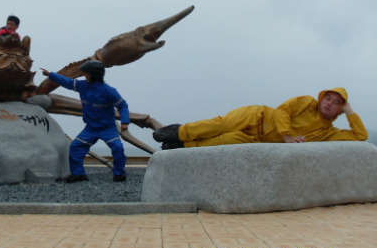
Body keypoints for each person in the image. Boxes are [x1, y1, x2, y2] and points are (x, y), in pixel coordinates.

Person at [154, 87, 368, 149]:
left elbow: (360, 136)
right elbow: (283, 110)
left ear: (340, 110)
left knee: (224, 142)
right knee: (220, 125)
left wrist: (350, 111)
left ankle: (181, 146)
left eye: (336, 102)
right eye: (328, 98)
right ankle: (177, 132)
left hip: (259, 140)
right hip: (258, 117)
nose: (329, 103)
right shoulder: (308, 102)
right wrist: (286, 135)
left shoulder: (328, 133)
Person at [40, 60, 130, 182]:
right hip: (91, 128)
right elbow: (67, 82)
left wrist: (125, 121)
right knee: (76, 147)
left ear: (94, 75)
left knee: (118, 147)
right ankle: (79, 174)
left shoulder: (108, 91)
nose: (84, 76)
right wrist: (51, 74)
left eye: (86, 73)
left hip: (108, 128)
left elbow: (122, 105)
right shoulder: (82, 86)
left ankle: (119, 173)